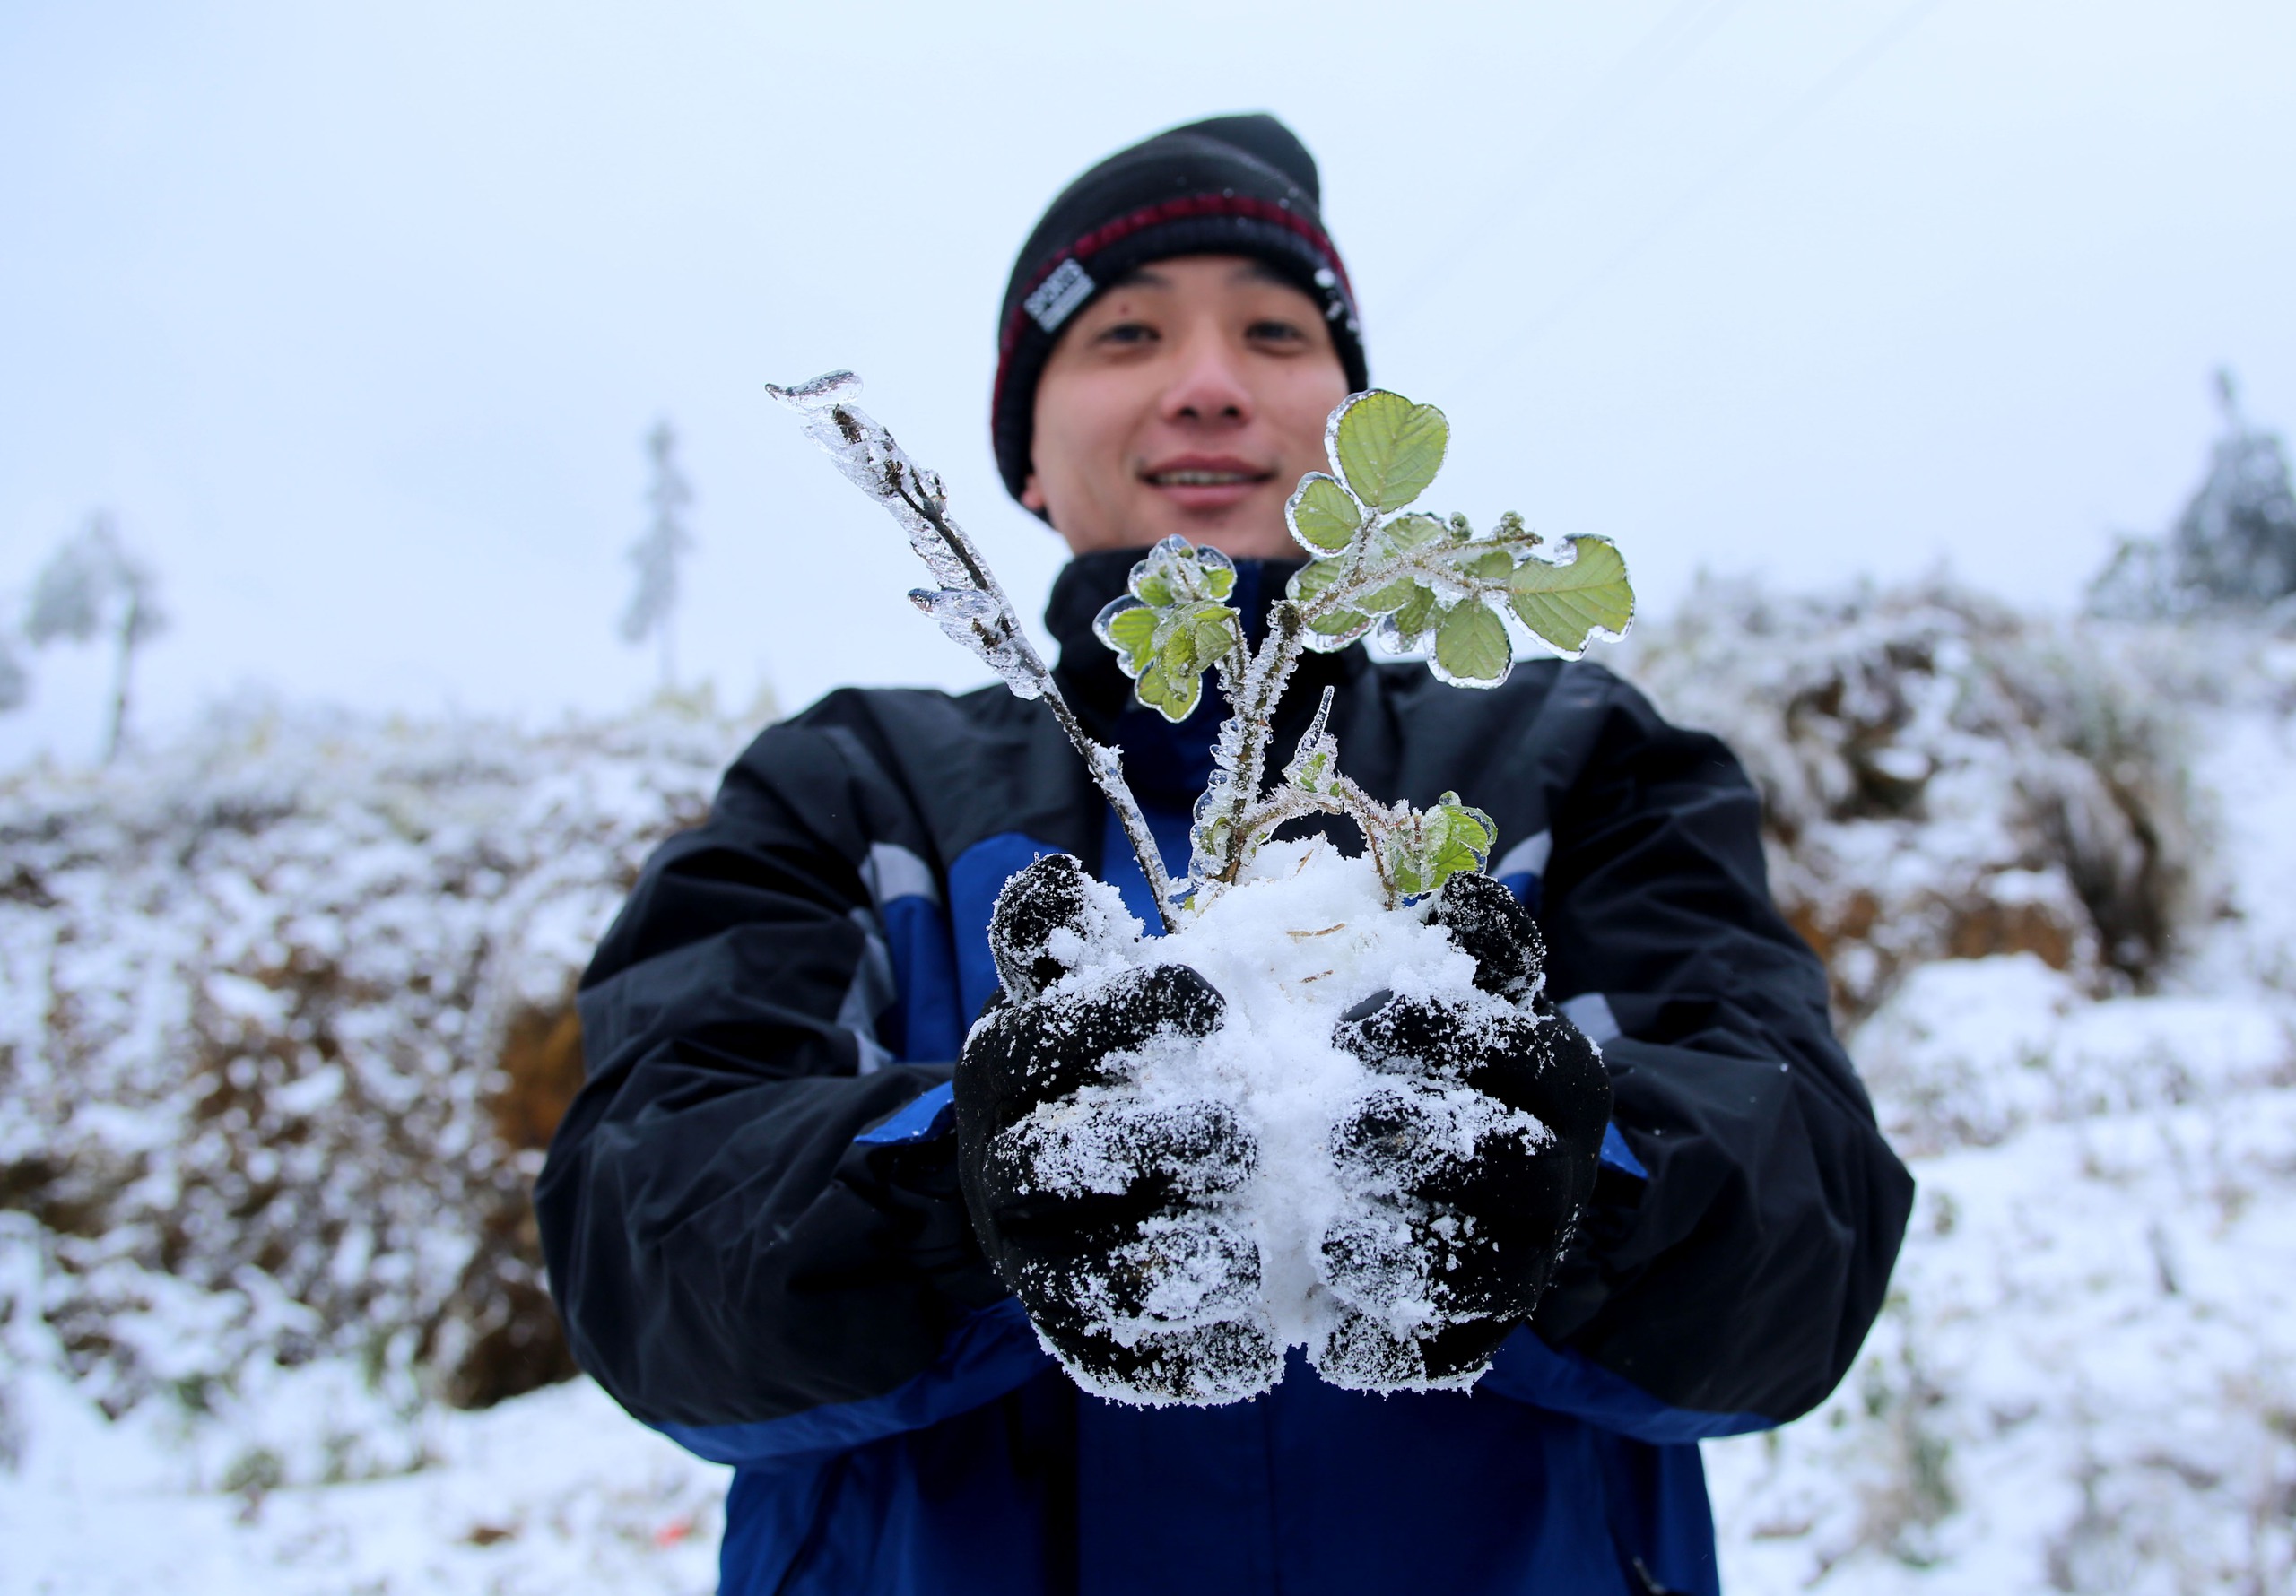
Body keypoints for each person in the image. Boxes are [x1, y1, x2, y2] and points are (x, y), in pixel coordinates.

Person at [537, 113, 1914, 1595]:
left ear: (1346, 421)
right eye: (1126, 335)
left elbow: (1808, 1231)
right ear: (1028, 459)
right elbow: (643, 1237)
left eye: (1272, 331)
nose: (1206, 386)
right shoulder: (848, 790)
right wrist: (962, 1190)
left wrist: (1571, 1189)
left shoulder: (1578, 764)